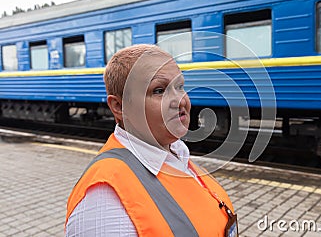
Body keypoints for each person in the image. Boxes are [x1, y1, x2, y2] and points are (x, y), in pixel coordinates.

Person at [65, 44, 237, 236]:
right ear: (119, 107)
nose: (180, 100)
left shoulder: (175, 153)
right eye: (159, 90)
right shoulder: (104, 201)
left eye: (180, 86)